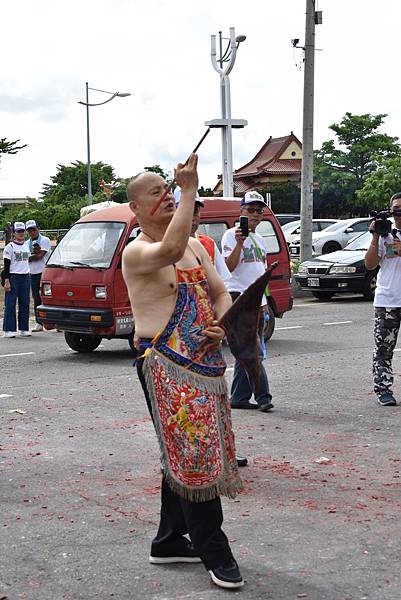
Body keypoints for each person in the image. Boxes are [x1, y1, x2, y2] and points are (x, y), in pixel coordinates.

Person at [122, 155, 244, 590]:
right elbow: (169, 250)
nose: (167, 194)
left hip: (205, 364)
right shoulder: (137, 251)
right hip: (164, 363)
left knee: (187, 450)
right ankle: (216, 549)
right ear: (135, 208)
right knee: (194, 453)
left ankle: (169, 539)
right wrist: (190, 189)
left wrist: (220, 325)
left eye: (168, 188)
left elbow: (220, 291)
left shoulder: (195, 246)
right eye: (156, 191)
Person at [174, 188, 247, 468]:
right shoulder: (157, 248)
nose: (194, 217)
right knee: (182, 404)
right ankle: (183, 456)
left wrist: (222, 323)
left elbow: (222, 289)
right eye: (188, 210)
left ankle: (223, 450)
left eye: (196, 211)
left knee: (215, 398)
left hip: (208, 336)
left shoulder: (205, 243)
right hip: (174, 342)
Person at [221, 191, 274, 412]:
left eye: (259, 210)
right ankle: (263, 396)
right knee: (254, 351)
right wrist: (239, 244)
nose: (255, 214)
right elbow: (229, 267)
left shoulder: (260, 239)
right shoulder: (231, 235)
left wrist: (265, 300)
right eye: (250, 210)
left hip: (257, 300)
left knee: (248, 350)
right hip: (240, 297)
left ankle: (240, 397)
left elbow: (259, 271)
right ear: (241, 211)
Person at [365, 192, 401, 406]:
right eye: (395, 209)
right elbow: (370, 265)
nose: (398, 213)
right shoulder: (385, 234)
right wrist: (374, 237)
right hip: (387, 300)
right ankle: (383, 389)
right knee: (383, 349)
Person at [2, 222, 31, 338]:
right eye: (18, 231)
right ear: (13, 233)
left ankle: (24, 328)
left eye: (22, 231)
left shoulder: (26, 245)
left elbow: (27, 261)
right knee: (10, 303)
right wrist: (6, 280)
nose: (21, 233)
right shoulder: (10, 247)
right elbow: (7, 266)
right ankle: (9, 329)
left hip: (25, 276)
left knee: (25, 303)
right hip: (13, 276)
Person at [26, 220, 52, 332]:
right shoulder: (27, 243)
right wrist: (33, 255)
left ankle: (53, 321)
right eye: (30, 230)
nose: (32, 232)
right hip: (33, 273)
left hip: (44, 272)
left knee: (48, 297)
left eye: (34, 229)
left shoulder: (45, 240)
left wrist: (29, 257)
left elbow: (40, 256)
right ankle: (39, 322)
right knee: (36, 297)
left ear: (38, 228)